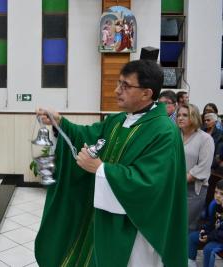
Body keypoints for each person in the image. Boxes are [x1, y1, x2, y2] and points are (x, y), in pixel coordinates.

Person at [35, 60, 187, 267]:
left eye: (125, 86)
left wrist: (100, 169)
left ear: (146, 93)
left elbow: (151, 183)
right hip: (104, 217)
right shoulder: (119, 120)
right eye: (118, 83)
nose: (117, 91)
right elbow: (88, 136)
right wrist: (60, 122)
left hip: (134, 225)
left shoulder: (164, 132)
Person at [176, 104, 214, 231]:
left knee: (184, 228)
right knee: (171, 226)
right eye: (179, 115)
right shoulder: (175, 135)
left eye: (185, 115)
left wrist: (176, 181)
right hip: (173, 186)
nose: (180, 118)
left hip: (193, 190)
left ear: (194, 117)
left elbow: (203, 168)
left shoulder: (205, 139)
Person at [188, 179, 223, 267]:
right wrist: (204, 231)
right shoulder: (214, 205)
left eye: (222, 194)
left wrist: (209, 237)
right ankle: (190, 263)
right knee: (192, 237)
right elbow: (209, 222)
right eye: (216, 192)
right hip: (214, 235)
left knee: (209, 249)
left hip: (220, 238)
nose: (217, 196)